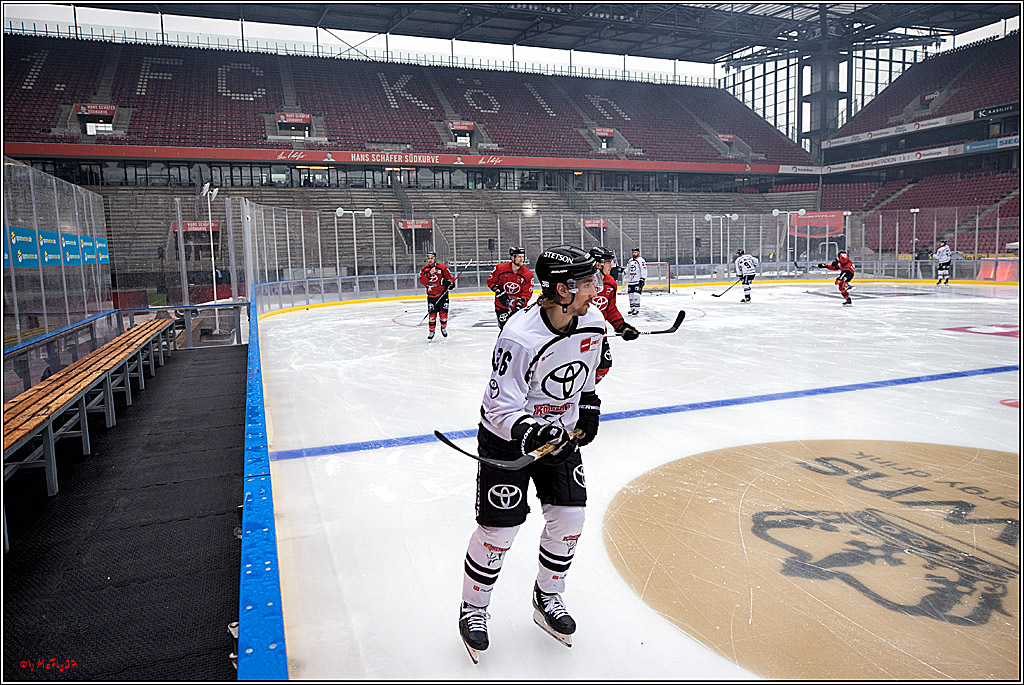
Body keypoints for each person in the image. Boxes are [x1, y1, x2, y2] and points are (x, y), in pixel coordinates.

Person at [459, 245, 605, 662]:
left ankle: (548, 596)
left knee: (570, 517)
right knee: (500, 531)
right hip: (507, 439)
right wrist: (530, 429)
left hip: (559, 437)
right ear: (562, 289)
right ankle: (474, 608)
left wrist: (589, 409)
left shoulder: (591, 322)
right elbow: (498, 407)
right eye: (588, 283)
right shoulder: (519, 337)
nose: (595, 290)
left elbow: (587, 377)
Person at [589, 245, 639, 383]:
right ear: (597, 264)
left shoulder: (610, 282)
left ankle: (585, 393)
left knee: (603, 367)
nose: (611, 266)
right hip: (580, 335)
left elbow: (610, 309)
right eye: (607, 262)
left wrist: (622, 327)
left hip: (600, 333)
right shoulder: (581, 283)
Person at [487, 246, 535, 329]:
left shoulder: (527, 274)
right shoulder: (500, 268)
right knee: (505, 329)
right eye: (519, 257)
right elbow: (491, 281)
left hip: (519, 307)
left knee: (518, 330)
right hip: (501, 306)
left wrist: (519, 305)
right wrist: (498, 291)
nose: (522, 259)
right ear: (512, 257)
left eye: (523, 257)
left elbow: (527, 293)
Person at [418, 251, 455, 339]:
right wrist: (430, 273)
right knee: (432, 315)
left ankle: (443, 328)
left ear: (435, 259)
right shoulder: (424, 269)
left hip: (442, 295)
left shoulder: (442, 268)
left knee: (443, 314)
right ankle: (431, 331)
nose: (430, 260)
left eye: (431, 258)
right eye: (428, 258)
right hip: (431, 296)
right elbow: (422, 281)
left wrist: (450, 284)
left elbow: (451, 279)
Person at [625, 247, 647, 315]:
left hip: (637, 281)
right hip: (631, 281)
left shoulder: (641, 260)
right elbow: (628, 270)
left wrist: (643, 278)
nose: (634, 253)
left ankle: (637, 309)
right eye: (633, 252)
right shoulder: (630, 261)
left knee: (636, 295)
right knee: (631, 295)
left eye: (635, 252)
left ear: (638, 253)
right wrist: (622, 271)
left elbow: (644, 269)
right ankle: (632, 309)